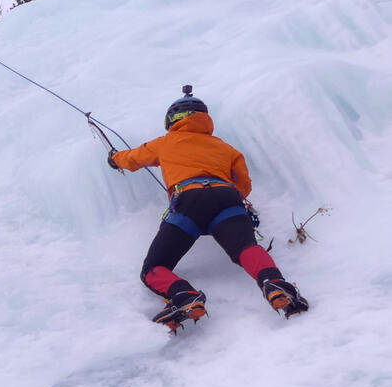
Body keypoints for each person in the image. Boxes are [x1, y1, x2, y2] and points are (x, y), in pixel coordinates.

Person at [108, 87, 309, 330]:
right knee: (246, 248)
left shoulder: (165, 142)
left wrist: (114, 158)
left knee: (153, 268)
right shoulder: (226, 148)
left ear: (172, 120)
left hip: (189, 202)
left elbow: (133, 158)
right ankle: (274, 283)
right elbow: (243, 185)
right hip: (228, 199)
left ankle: (184, 296)